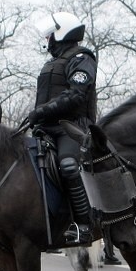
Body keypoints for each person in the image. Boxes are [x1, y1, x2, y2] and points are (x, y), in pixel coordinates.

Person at [29, 12, 97, 245]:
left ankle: (84, 225)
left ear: (62, 33)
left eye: (51, 33)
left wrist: (42, 111)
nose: (47, 38)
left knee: (68, 166)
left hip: (72, 128)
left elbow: (76, 95)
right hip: (45, 128)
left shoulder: (82, 58)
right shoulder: (51, 62)